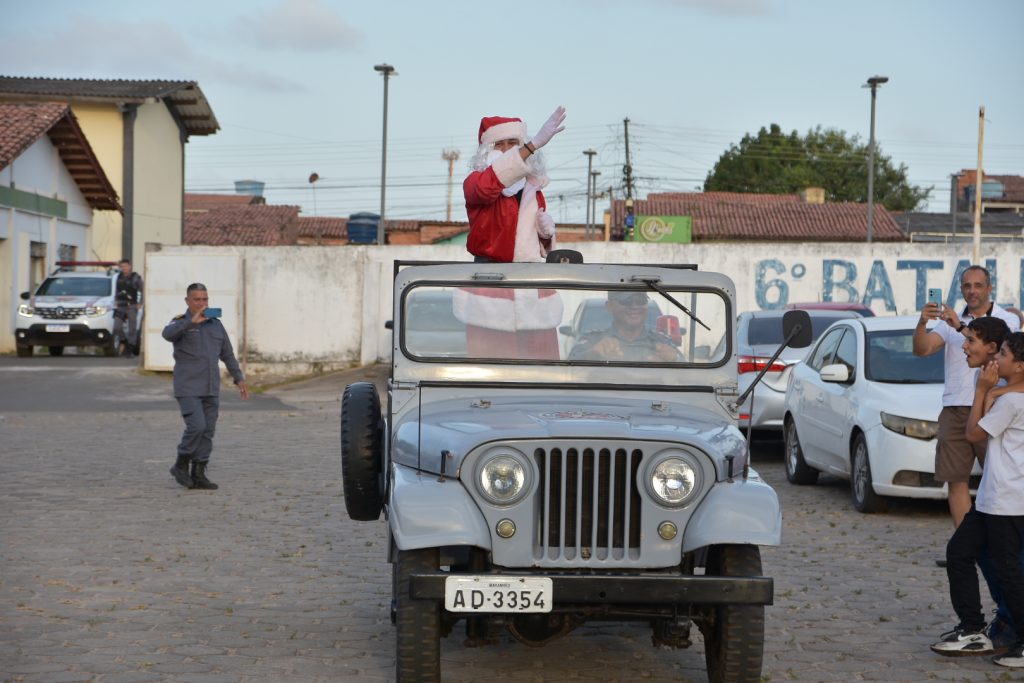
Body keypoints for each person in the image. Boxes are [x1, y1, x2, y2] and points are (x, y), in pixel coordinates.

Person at [931, 332, 1024, 667]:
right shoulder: (1009, 396)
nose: (998, 358)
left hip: (1007, 501)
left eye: (1004, 354)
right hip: (989, 499)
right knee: (959, 552)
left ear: (1020, 365)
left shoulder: (1012, 402)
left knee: (1008, 571)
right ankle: (972, 628)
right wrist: (991, 390)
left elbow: (972, 433)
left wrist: (983, 390)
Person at [913, 266, 1021, 535]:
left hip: (995, 405)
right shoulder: (948, 321)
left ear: (989, 288)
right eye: (966, 286)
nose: (972, 291)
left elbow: (994, 348)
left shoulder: (1005, 318)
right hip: (956, 406)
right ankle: (966, 543)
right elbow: (923, 349)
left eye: (978, 285)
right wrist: (922, 323)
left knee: (1000, 476)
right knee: (956, 479)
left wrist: (960, 327)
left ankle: (1000, 539)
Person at [162, 283, 248, 490]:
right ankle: (181, 464)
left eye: (205, 299)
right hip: (188, 387)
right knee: (197, 426)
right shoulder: (180, 323)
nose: (202, 303)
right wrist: (190, 323)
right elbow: (167, 334)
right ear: (187, 301)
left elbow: (227, 354)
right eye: (197, 299)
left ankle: (199, 473)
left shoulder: (215, 325)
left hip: (210, 387)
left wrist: (239, 378)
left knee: (207, 431)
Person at [464, 106, 566, 263]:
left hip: (525, 275)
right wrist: (533, 145)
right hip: (487, 274)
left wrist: (545, 235)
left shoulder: (532, 187)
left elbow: (527, 244)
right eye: (499, 144)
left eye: (512, 143)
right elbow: (487, 187)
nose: (506, 150)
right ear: (486, 150)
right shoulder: (474, 182)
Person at [569, 291, 683, 362]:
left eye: (640, 300)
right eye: (626, 301)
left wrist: (674, 359)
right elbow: (569, 367)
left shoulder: (662, 342)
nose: (634, 306)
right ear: (609, 306)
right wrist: (593, 354)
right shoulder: (592, 341)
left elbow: (690, 374)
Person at [115, 258, 143, 357]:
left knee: (132, 329)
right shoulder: (119, 277)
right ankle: (124, 342)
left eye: (126, 266)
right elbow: (117, 291)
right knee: (116, 327)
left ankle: (130, 349)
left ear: (130, 266)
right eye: (122, 267)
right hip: (121, 306)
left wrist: (141, 302)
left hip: (131, 305)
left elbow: (143, 290)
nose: (124, 268)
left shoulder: (136, 277)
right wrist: (115, 301)